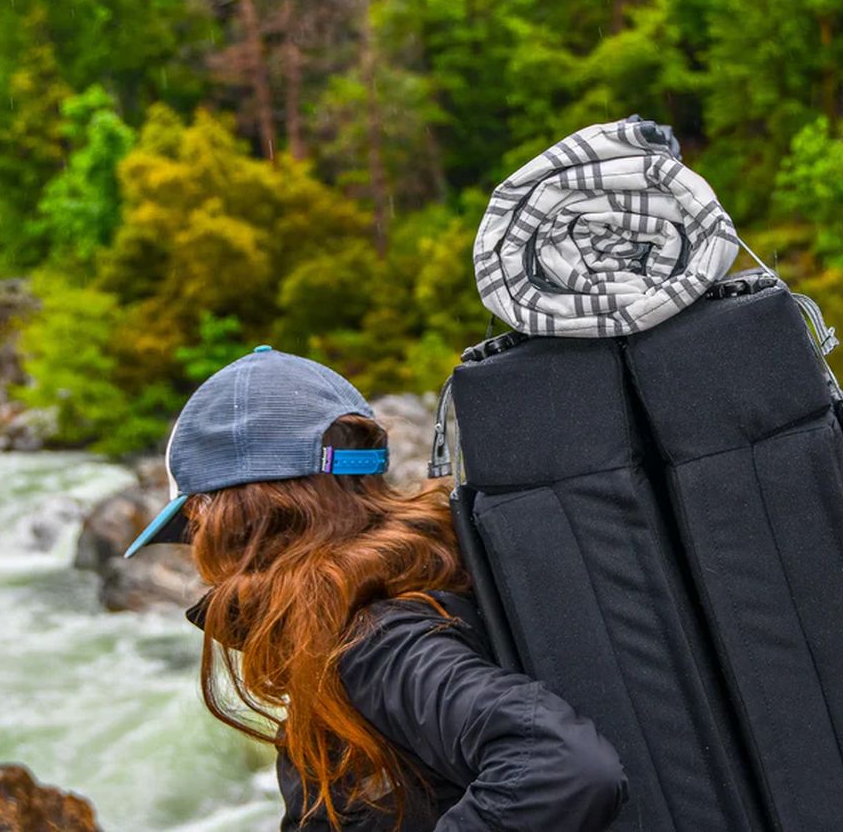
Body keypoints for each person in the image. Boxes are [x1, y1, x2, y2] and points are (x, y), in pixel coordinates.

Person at [124, 345, 628, 831]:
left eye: (196, 526)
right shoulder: (423, 577)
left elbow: (563, 768)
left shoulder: (372, 641)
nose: (200, 555)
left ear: (235, 521)